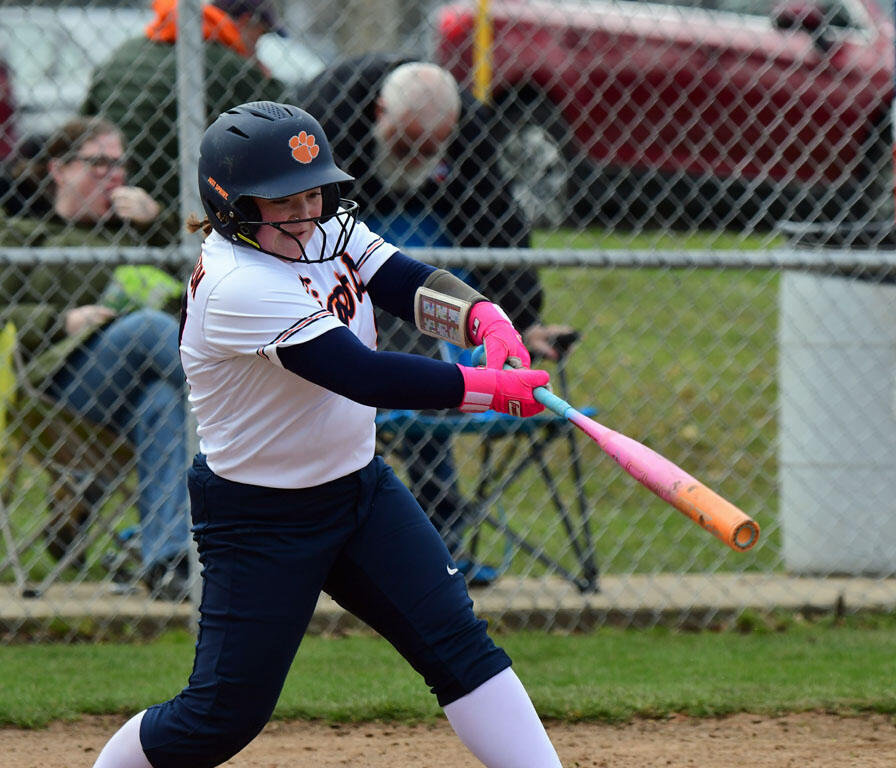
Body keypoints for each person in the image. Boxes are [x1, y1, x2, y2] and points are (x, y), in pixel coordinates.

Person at [90, 100, 563, 768]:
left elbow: (401, 280)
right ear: (232, 207)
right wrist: (485, 390)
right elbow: (361, 374)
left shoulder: (322, 229)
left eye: (313, 194)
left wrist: (483, 318)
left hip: (360, 491)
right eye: (283, 201)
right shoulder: (237, 282)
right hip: (262, 518)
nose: (305, 214)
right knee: (221, 716)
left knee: (458, 644)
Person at [296, 59, 576, 583]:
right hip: (333, 274)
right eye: (405, 145)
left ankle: (439, 543)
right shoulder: (325, 117)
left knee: (420, 352)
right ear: (379, 113)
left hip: (417, 267)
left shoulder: (471, 128)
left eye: (430, 150)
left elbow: (496, 223)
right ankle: (336, 541)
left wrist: (518, 320)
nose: (416, 159)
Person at [0, 116, 192, 599]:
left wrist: (160, 225)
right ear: (59, 169)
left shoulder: (134, 236)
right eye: (98, 163)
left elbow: (202, 293)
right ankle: (253, 407)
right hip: (52, 390)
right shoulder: (19, 235)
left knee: (162, 401)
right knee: (144, 328)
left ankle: (167, 562)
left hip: (132, 394)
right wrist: (60, 320)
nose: (113, 176)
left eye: (119, 165)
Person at [80, 0, 286, 214]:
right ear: (245, 22)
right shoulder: (230, 65)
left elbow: (83, 128)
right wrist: (262, 74)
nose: (257, 47)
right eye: (260, 36)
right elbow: (290, 120)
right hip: (179, 209)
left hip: (112, 197)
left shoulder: (124, 52)